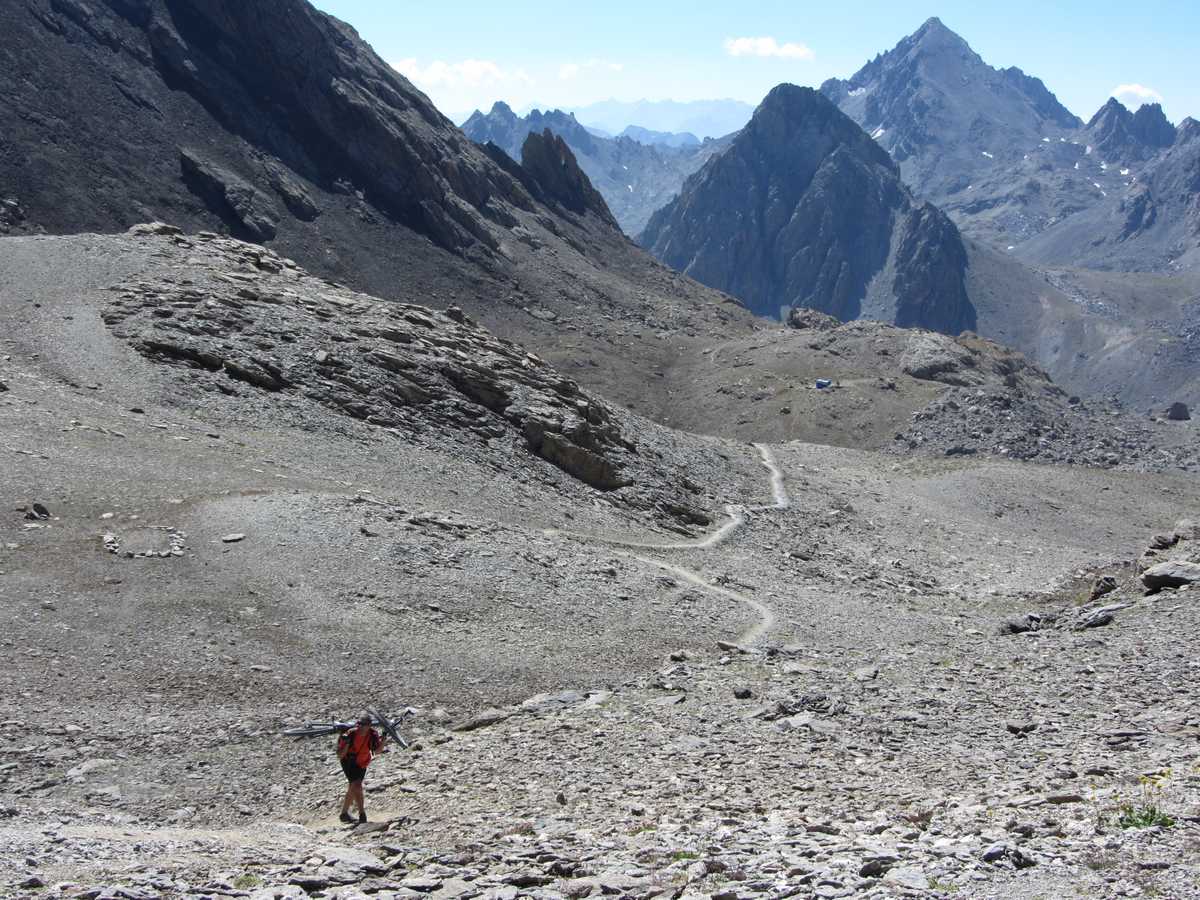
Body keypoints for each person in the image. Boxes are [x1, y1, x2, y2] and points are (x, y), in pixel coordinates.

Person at [337, 714, 385, 824]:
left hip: (362, 762)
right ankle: (362, 814)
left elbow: (376, 751)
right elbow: (340, 755)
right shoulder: (350, 734)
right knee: (357, 785)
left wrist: (383, 740)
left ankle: (344, 814)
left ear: (369, 726)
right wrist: (347, 743)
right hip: (349, 762)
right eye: (360, 724)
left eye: (365, 725)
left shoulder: (372, 734)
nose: (362, 727)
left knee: (353, 786)